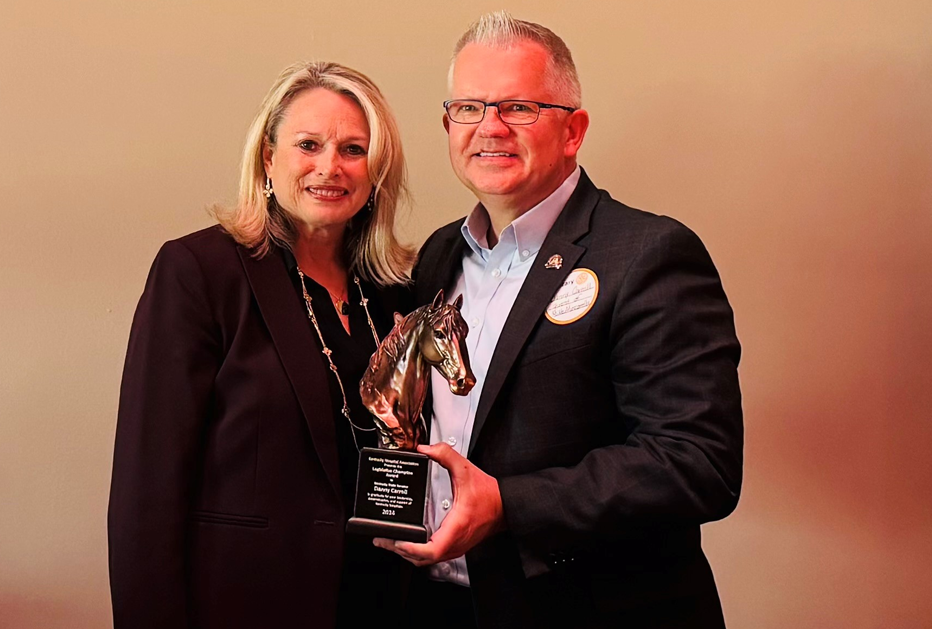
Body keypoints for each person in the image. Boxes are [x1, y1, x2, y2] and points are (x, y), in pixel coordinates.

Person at [375, 12, 744, 629]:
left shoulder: (648, 254)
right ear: (448, 125)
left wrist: (509, 504)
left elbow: (697, 461)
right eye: (468, 108)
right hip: (441, 607)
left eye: (519, 107)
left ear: (573, 131)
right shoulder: (436, 258)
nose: (489, 128)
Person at [108, 61, 413, 628]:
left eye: (353, 149)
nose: (330, 167)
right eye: (308, 145)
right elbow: (146, 491)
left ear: (376, 170)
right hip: (245, 603)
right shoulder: (200, 271)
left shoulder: (395, 291)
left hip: (378, 600)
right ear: (269, 159)